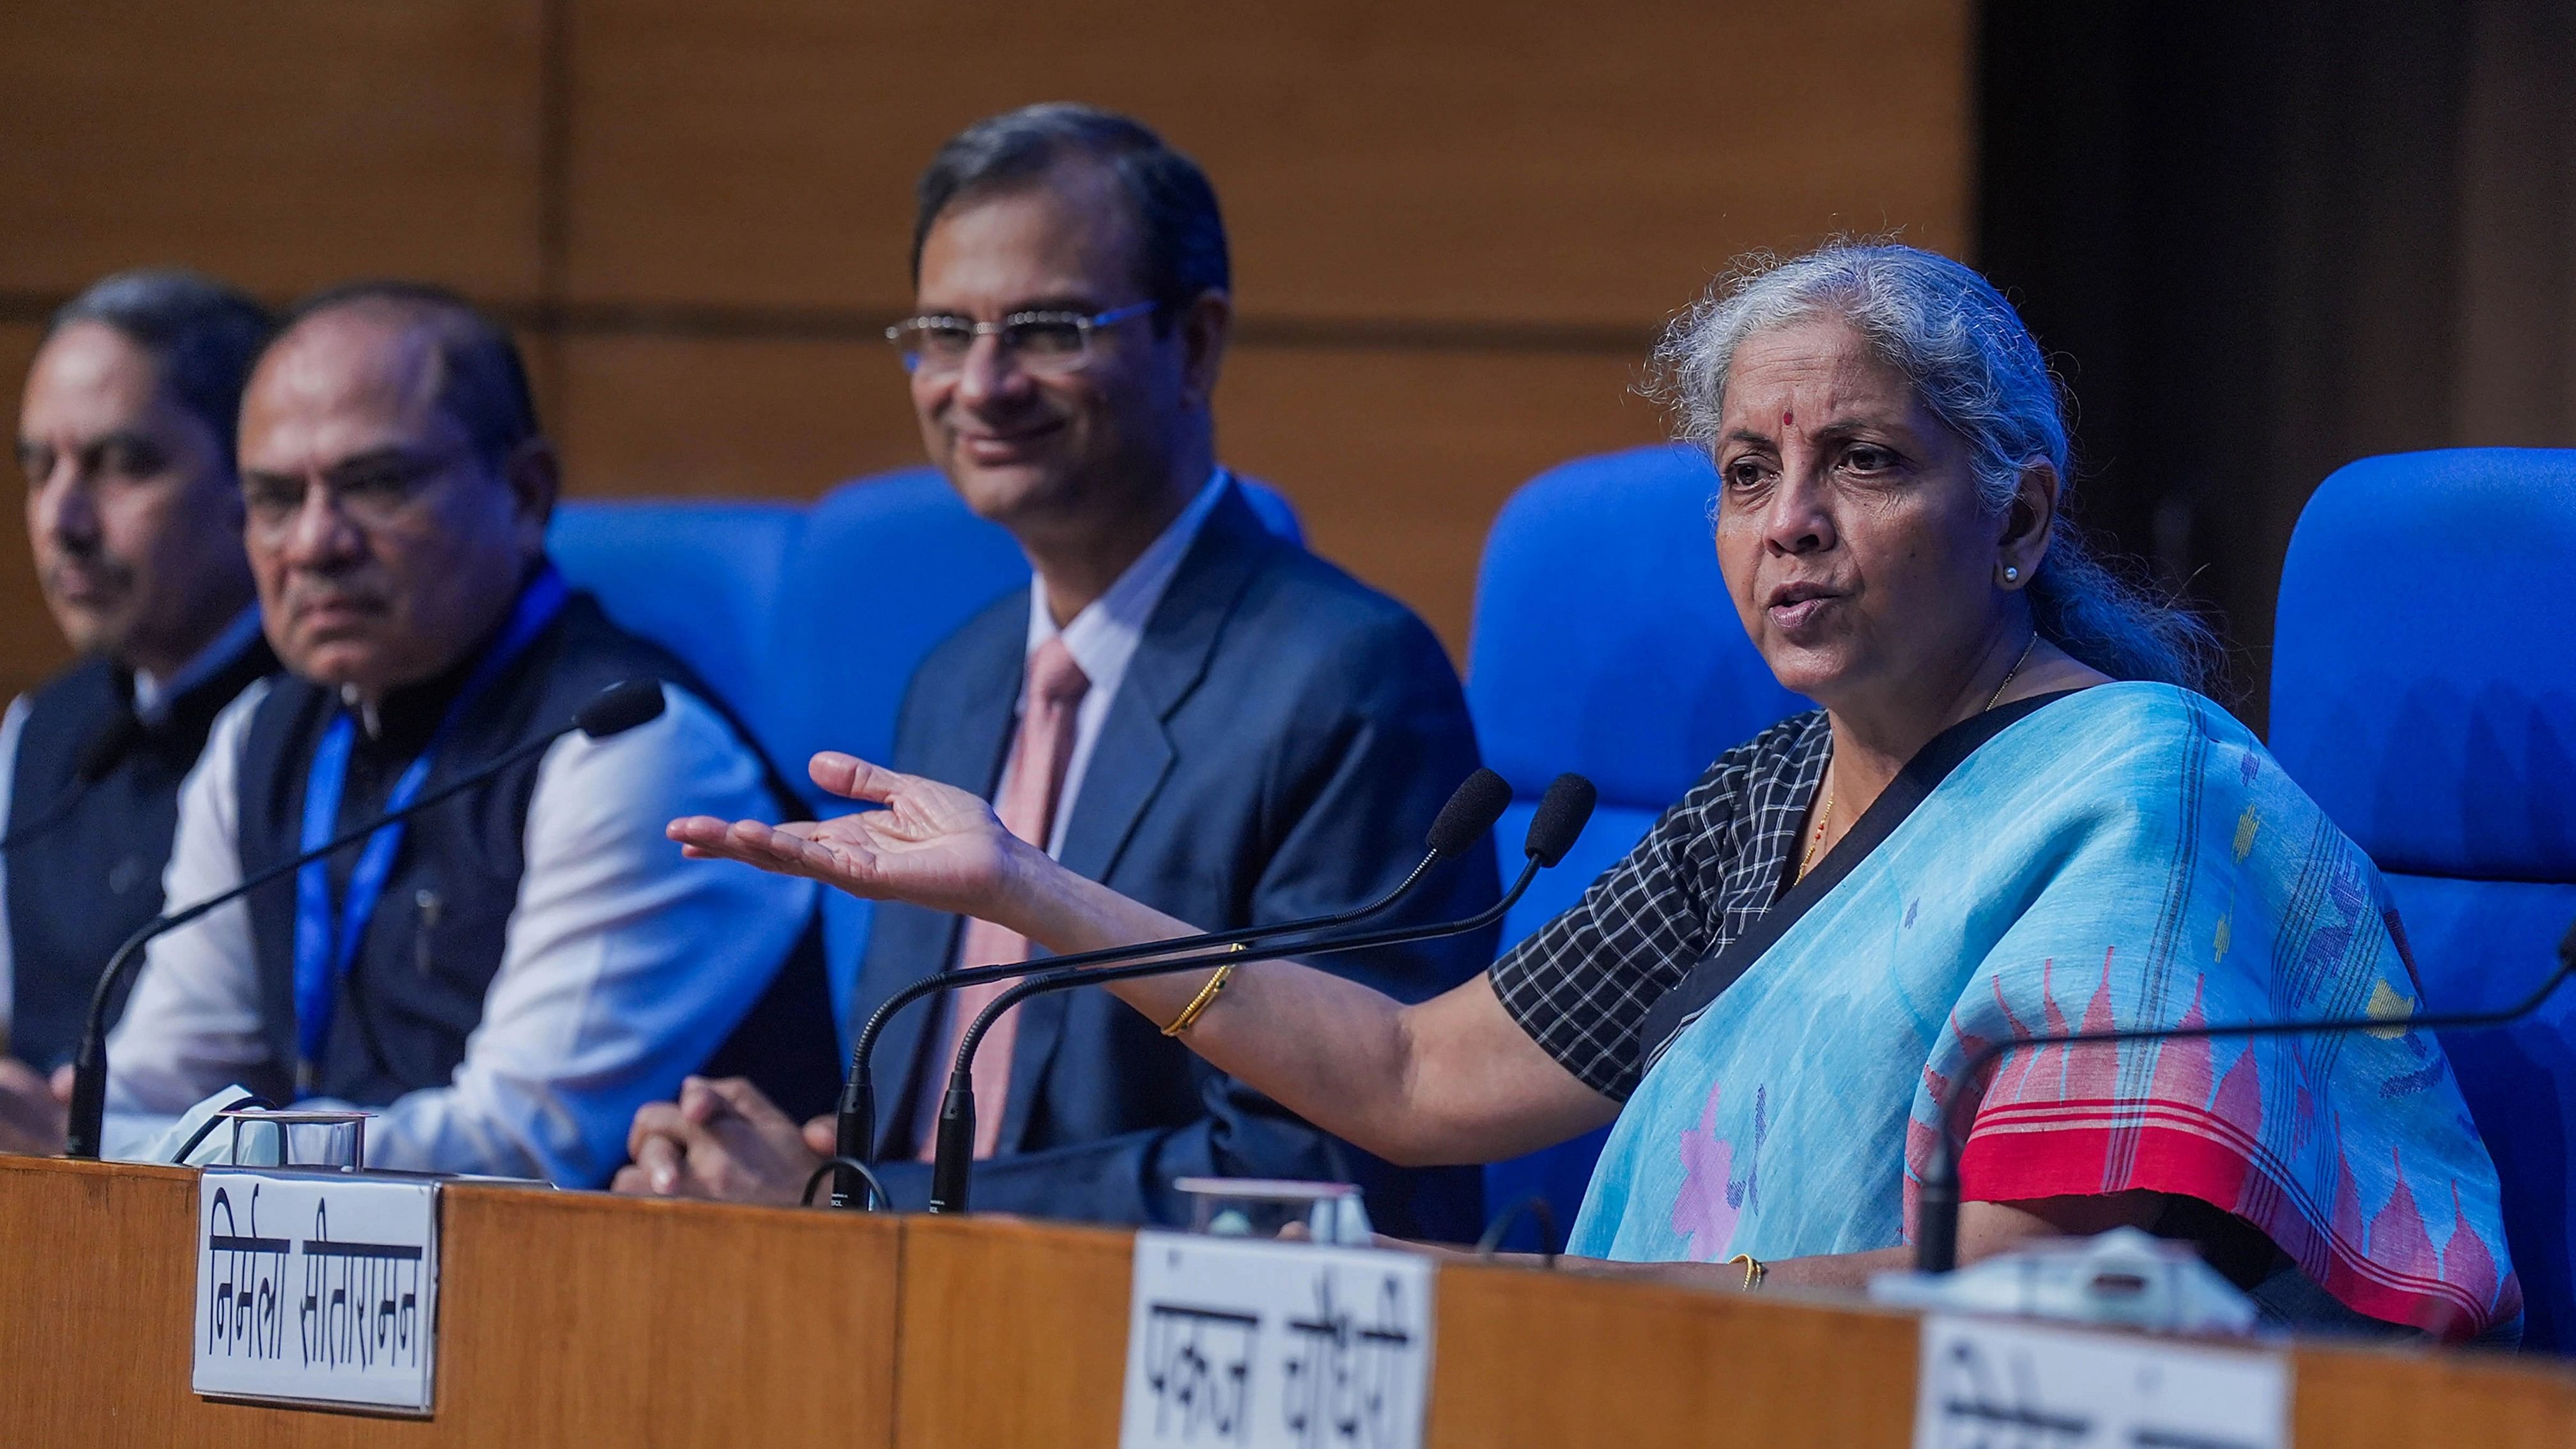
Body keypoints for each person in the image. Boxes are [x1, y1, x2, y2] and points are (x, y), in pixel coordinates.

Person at [672, 242, 2520, 1341]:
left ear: (2021, 514)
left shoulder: (2146, 795)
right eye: (1744, 468)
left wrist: (1603, 1324)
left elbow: (2032, 1280)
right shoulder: (1764, 796)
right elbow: (1413, 1078)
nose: (1787, 521)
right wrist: (1026, 884)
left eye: (1861, 461)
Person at [616, 104, 1497, 1236]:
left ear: (1195, 343)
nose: (980, 385)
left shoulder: (1345, 681)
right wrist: (781, 1166)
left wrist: (855, 1199)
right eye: (942, 331)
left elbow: (1310, 1168)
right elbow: (947, 1120)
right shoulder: (959, 678)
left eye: (1046, 328)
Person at [0, 281, 839, 1182]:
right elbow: (157, 1081)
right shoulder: (261, 738)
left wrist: (101, 1147)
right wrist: (72, 1135)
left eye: (374, 486)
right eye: (277, 498)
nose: (315, 543)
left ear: (524, 494)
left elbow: (518, 1152)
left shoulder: (633, 748)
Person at [1, 272, 275, 1102]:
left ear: (250, 482)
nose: (62, 521)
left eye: (121, 465)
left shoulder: (324, 729)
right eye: (38, 468)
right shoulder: (40, 726)